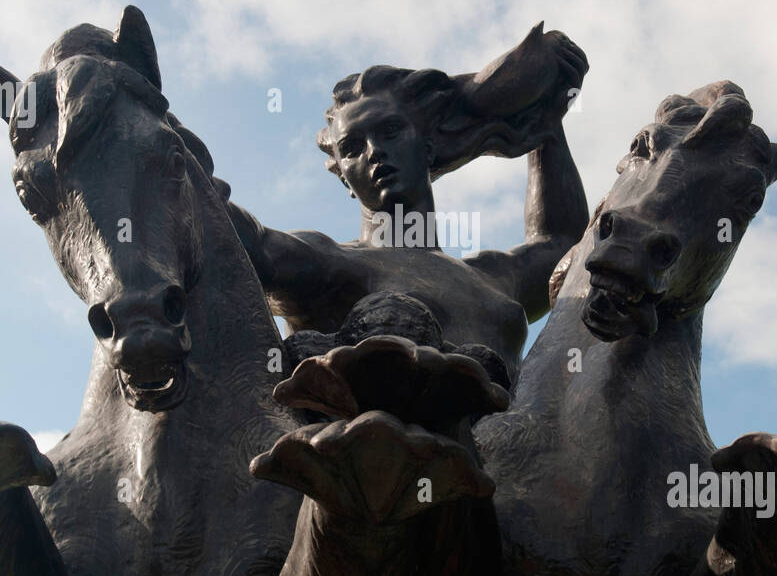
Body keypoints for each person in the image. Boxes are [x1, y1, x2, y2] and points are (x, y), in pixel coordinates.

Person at [223, 25, 590, 379]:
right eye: (352, 148)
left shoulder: (494, 277)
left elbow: (562, 247)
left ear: (427, 143)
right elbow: (241, 240)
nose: (375, 152)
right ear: (344, 178)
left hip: (497, 442)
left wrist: (545, 121)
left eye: (390, 131)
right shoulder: (326, 262)